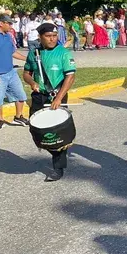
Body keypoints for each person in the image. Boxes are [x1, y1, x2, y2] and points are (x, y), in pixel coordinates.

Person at [22, 23, 76, 182]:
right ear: (40, 37)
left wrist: (59, 98)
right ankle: (55, 150)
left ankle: (58, 167)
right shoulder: (34, 53)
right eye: (48, 36)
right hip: (39, 96)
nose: (52, 39)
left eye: (54, 36)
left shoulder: (63, 53)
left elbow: (70, 76)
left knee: (56, 132)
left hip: (57, 95)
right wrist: (32, 82)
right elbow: (26, 73)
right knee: (36, 129)